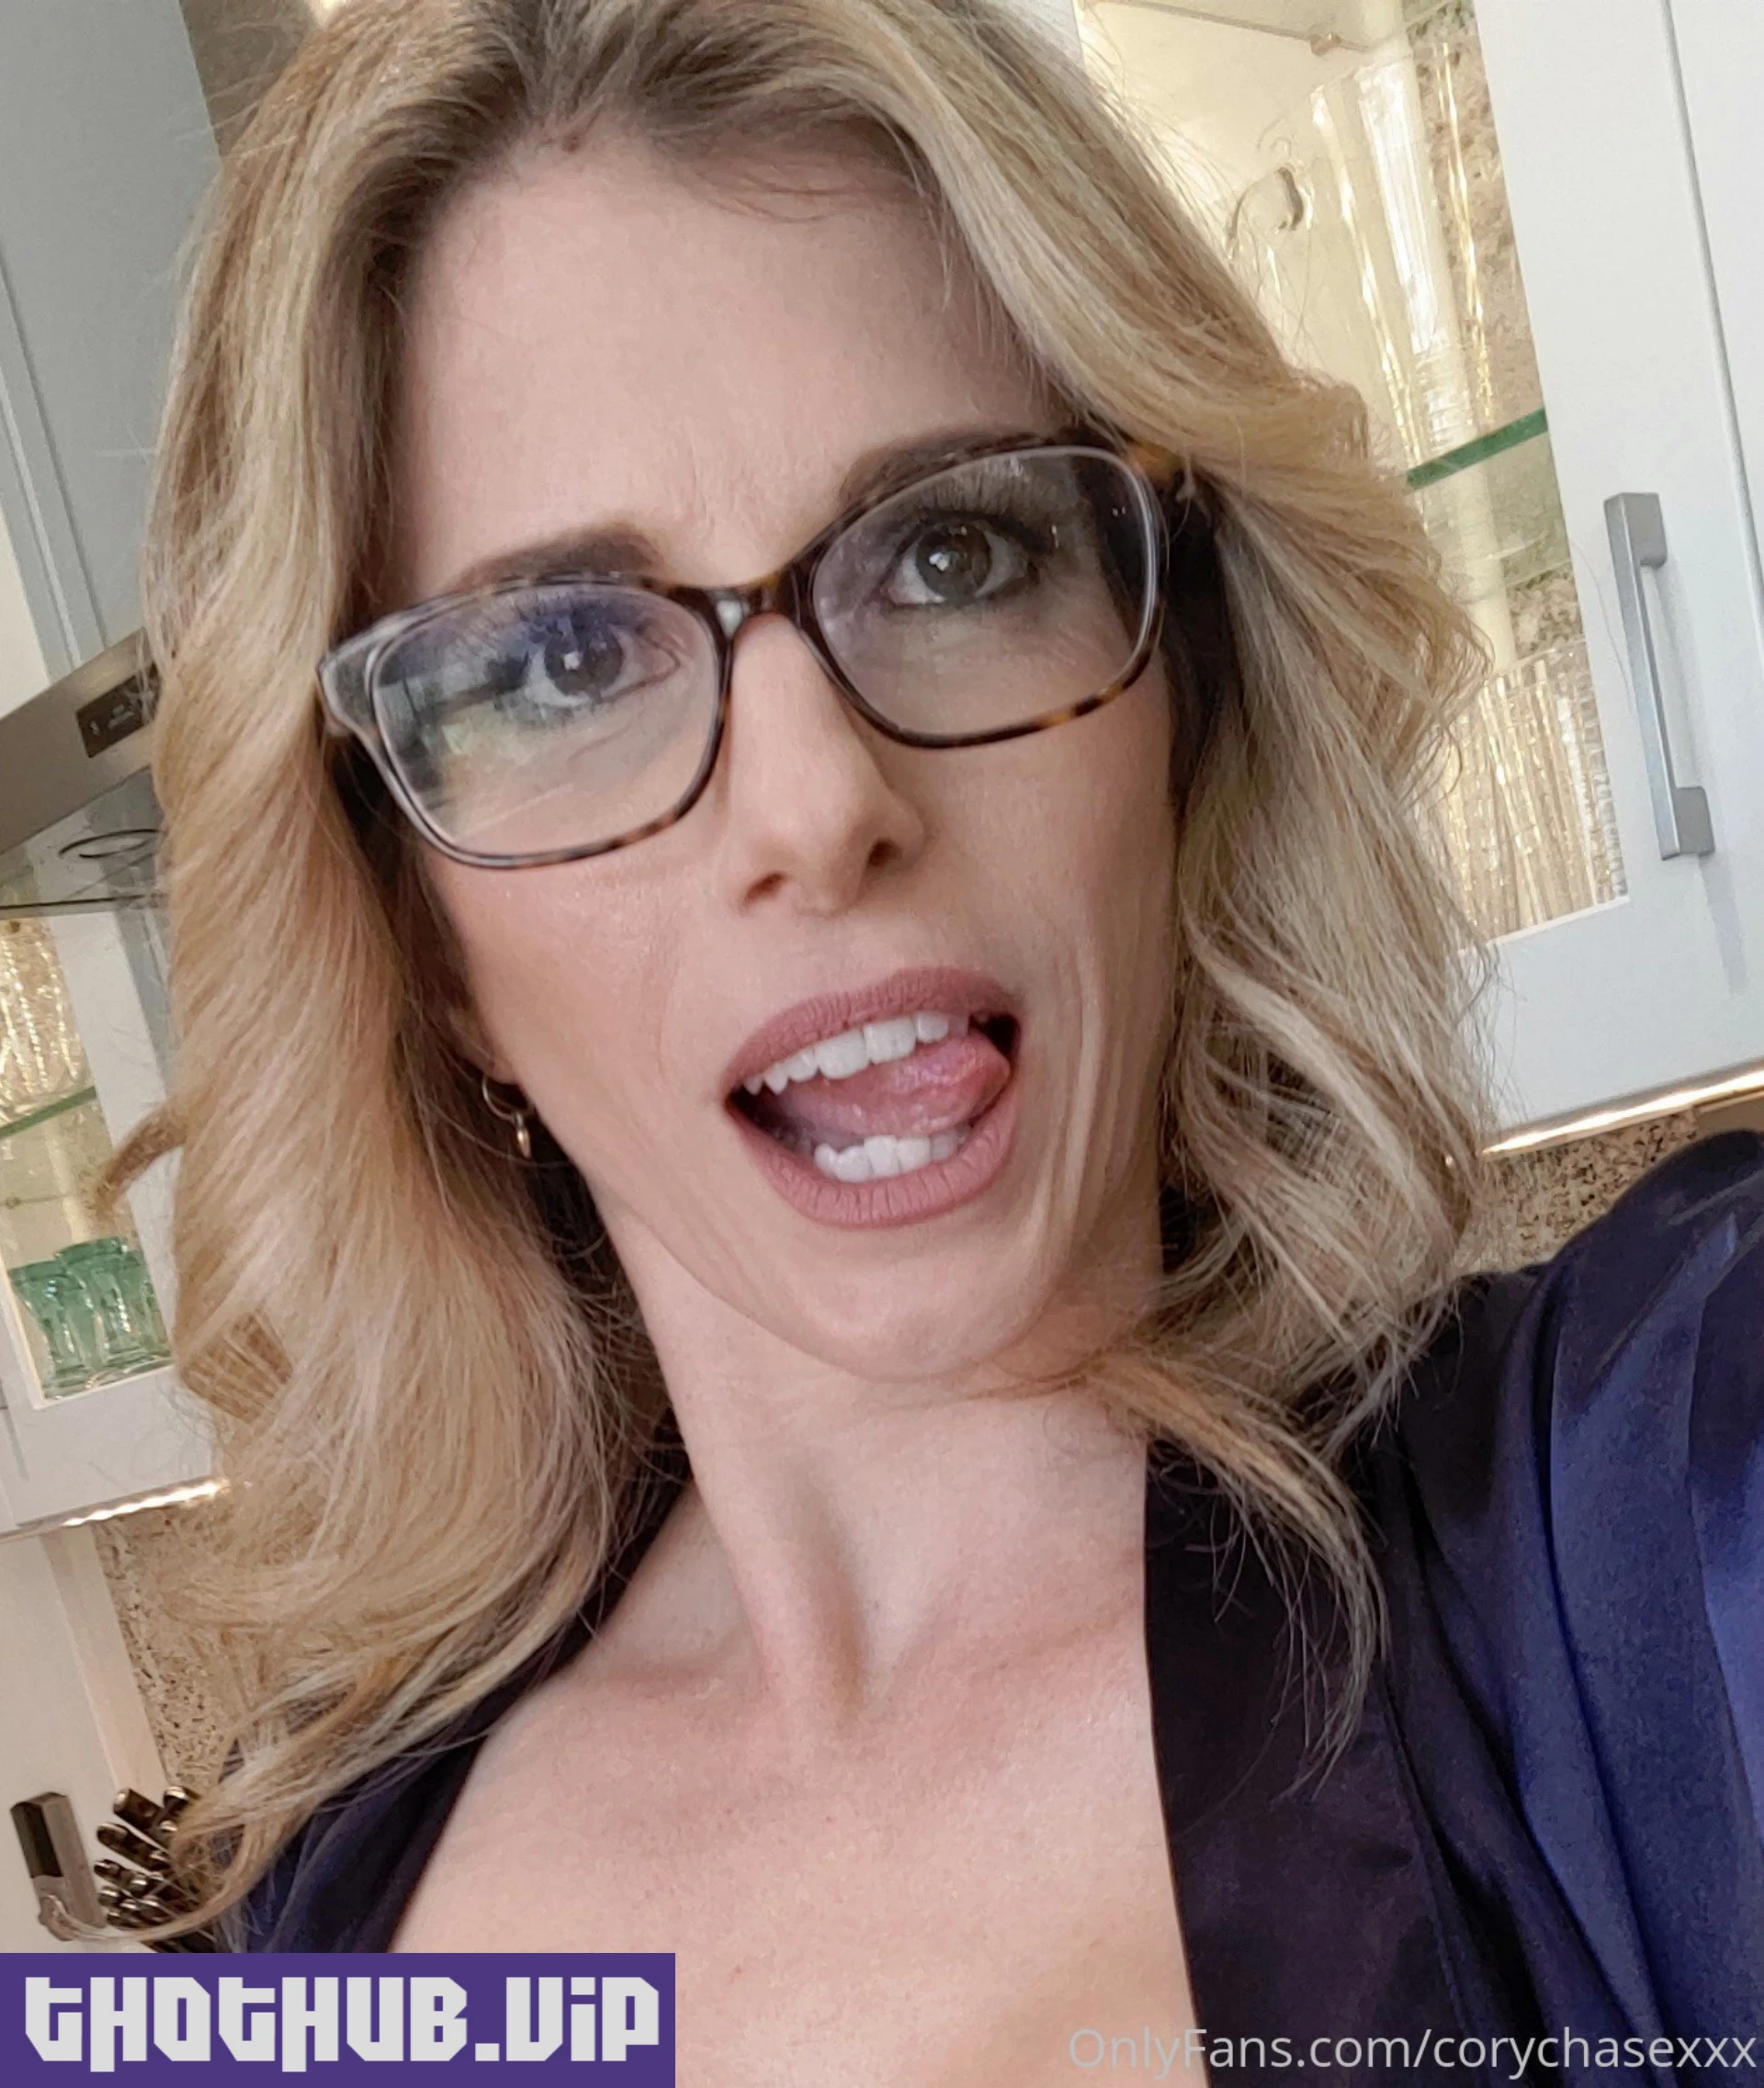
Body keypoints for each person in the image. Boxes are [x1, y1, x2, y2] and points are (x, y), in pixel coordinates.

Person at [116, 0, 1761, 2075]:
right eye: (558, 665)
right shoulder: (303, 1919)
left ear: (1188, 696)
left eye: (955, 551)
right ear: (419, 936)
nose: (821, 804)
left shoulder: (1648, 1550)